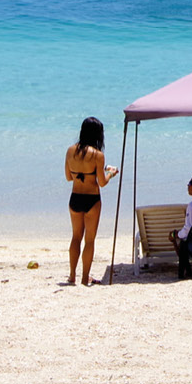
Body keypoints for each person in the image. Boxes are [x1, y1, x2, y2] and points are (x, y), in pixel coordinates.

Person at [63, 116, 119, 286]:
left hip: (75, 198)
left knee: (75, 237)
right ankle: (85, 277)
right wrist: (111, 172)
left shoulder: (70, 151)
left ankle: (72, 275)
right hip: (92, 200)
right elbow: (102, 182)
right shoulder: (98, 155)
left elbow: (68, 177)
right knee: (89, 239)